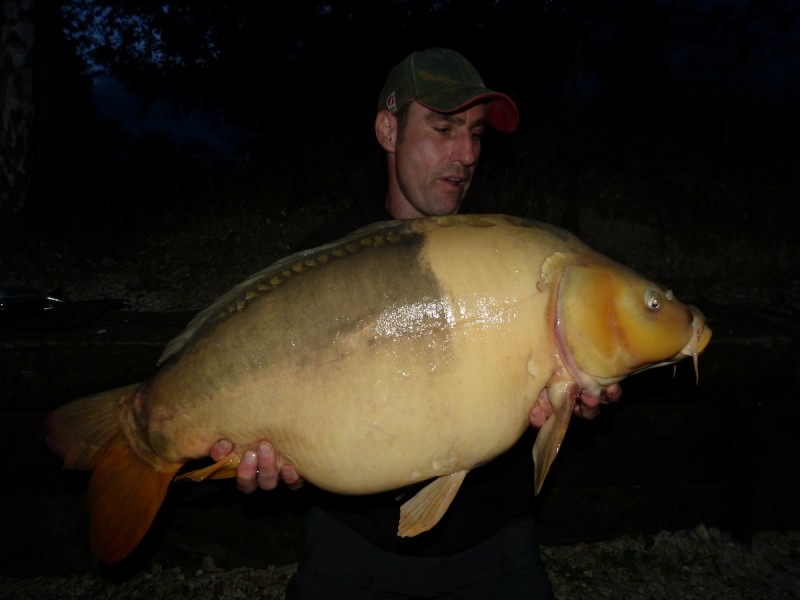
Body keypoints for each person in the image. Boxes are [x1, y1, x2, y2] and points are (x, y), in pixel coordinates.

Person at [210, 47, 621, 598]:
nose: (467, 153)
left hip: (493, 533)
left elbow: (560, 368)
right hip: (353, 537)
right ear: (387, 129)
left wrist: (577, 388)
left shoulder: (510, 253)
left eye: (475, 133)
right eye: (444, 127)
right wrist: (267, 455)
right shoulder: (321, 261)